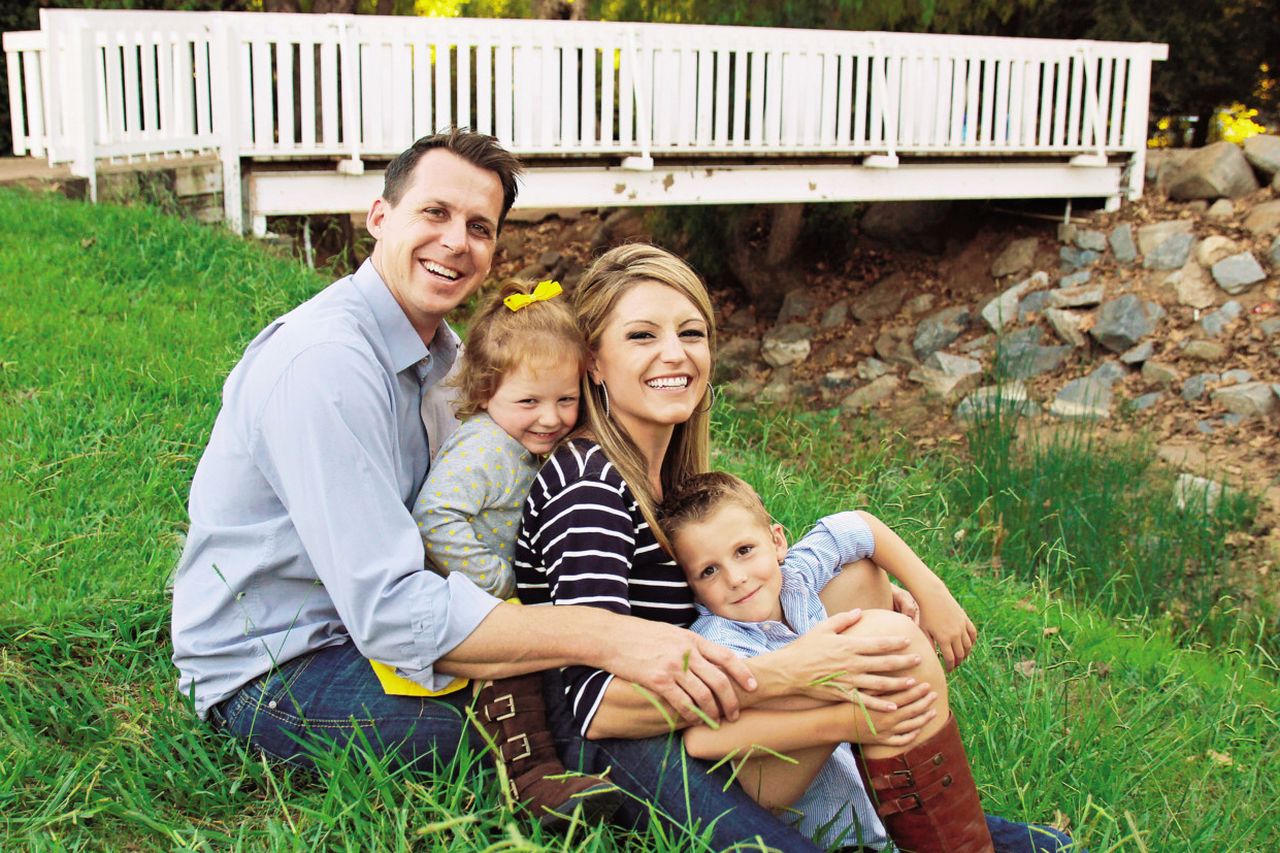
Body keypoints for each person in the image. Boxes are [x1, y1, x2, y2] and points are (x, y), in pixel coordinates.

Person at [170, 131, 780, 835]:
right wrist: (604, 635)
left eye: (480, 227)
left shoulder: (452, 360)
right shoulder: (324, 367)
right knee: (576, 708)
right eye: (435, 213)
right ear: (379, 216)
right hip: (283, 671)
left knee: (593, 681)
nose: (456, 241)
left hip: (367, 636)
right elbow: (393, 611)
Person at [514, 243, 1074, 853]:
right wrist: (789, 672)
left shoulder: (670, 474)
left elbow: (823, 549)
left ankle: (953, 830)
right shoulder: (588, 485)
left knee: (860, 580)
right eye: (642, 335)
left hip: (698, 695)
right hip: (619, 746)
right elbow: (595, 706)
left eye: (691, 332)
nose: (674, 354)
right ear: (594, 362)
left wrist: (888, 594)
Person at [662, 471, 1077, 852]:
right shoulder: (715, 641)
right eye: (709, 571)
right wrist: (848, 719)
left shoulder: (797, 579)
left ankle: (940, 824)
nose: (735, 577)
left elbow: (856, 526)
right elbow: (702, 739)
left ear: (777, 542)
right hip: (830, 833)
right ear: (693, 588)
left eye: (744, 550)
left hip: (878, 804)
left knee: (1053, 845)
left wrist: (931, 592)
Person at [389, 276, 620, 826]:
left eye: (567, 399)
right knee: (510, 673)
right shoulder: (487, 450)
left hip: (498, 594)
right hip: (465, 600)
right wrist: (500, 582)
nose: (551, 417)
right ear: (486, 392)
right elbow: (435, 519)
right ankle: (530, 776)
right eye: (529, 401)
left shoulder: (521, 439)